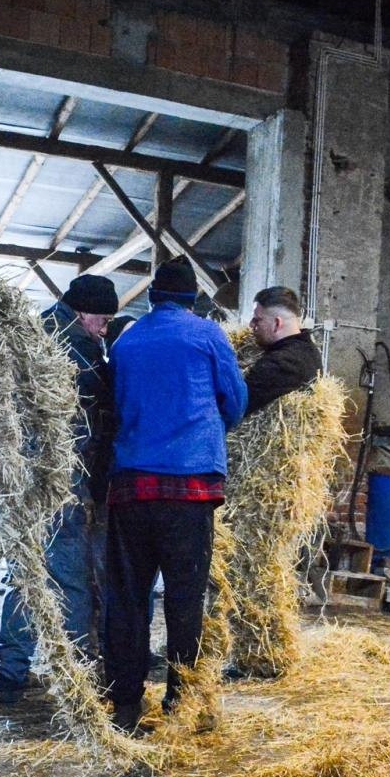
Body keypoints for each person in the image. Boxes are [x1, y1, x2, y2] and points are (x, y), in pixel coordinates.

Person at [103, 258, 247, 733]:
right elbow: (236, 401)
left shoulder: (126, 342)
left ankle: (125, 701)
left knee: (128, 598)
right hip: (188, 487)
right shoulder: (208, 336)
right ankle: (179, 702)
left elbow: (117, 404)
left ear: (151, 297)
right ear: (193, 300)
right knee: (184, 598)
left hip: (131, 487)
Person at [0, 274, 118, 706]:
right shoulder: (72, 346)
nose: (104, 330)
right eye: (102, 321)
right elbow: (100, 396)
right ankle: (82, 675)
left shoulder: (33, 332)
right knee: (73, 574)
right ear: (82, 312)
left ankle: (10, 675)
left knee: (26, 574)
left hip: (21, 478)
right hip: (59, 479)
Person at [243, 286, 321, 415]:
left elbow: (234, 405)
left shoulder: (282, 363)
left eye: (257, 320)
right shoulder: (309, 351)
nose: (251, 325)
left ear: (277, 323)